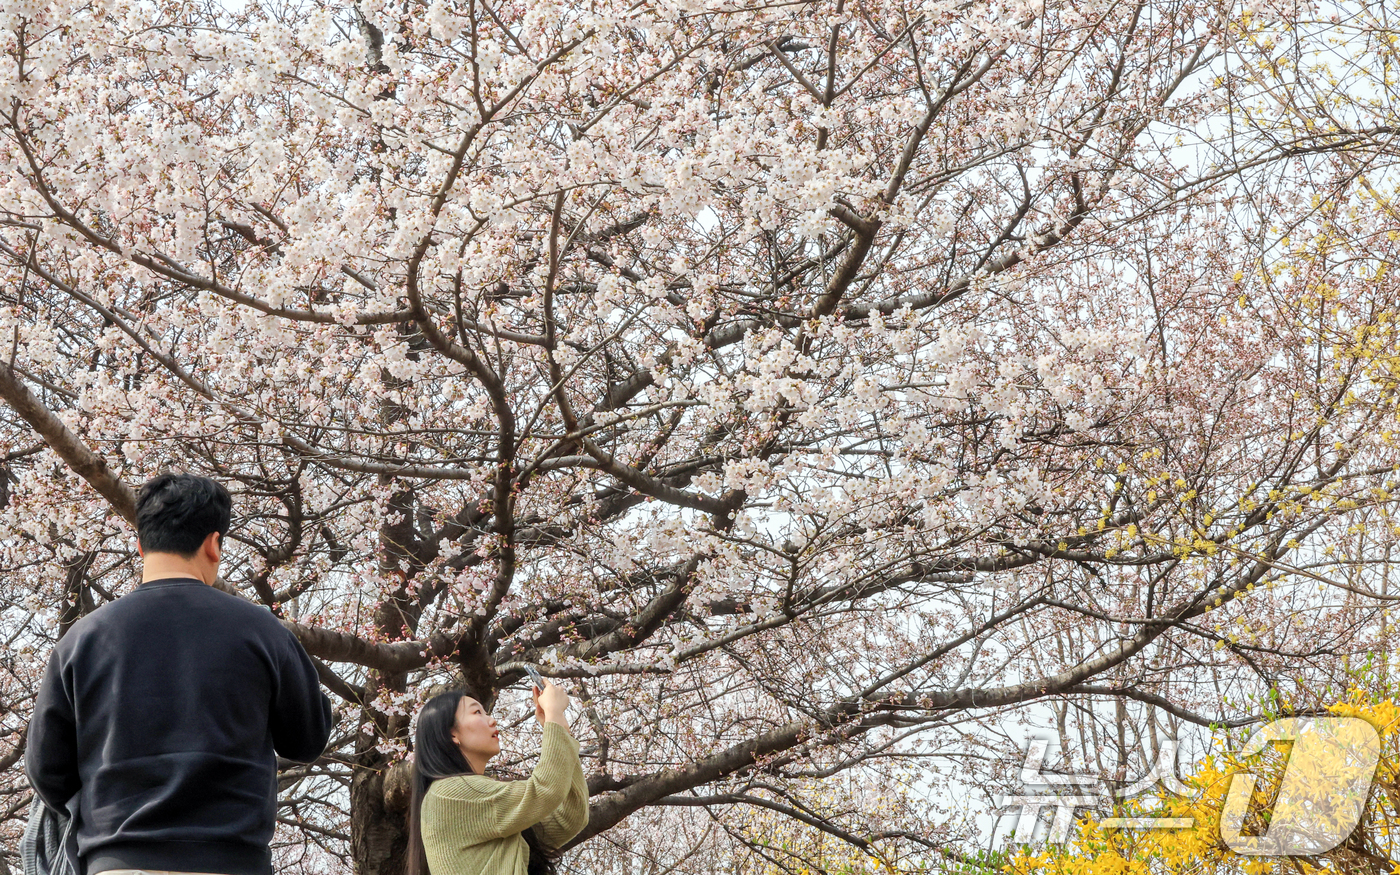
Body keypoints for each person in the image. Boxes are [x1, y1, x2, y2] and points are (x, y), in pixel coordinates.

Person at [25, 473, 335, 875]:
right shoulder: (260, 629)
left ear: (140, 545)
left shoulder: (83, 638)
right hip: (232, 858)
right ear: (213, 543)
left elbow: (46, 771)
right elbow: (307, 739)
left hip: (119, 858)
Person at [408, 681, 588, 875]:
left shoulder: (480, 807)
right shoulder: (449, 794)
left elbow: (569, 817)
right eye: (477, 712)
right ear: (451, 734)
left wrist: (559, 727)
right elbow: (545, 790)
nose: (492, 720)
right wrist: (553, 716)